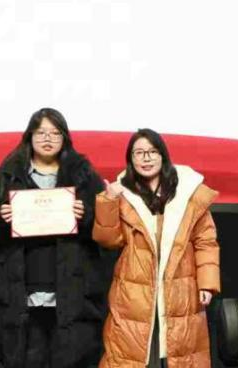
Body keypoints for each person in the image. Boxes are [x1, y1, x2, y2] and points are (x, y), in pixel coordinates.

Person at [0, 107, 108, 368]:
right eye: (41, 132)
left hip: (73, 295)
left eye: (55, 133)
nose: (48, 138)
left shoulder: (82, 173)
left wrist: (86, 215)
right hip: (21, 294)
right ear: (30, 136)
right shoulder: (11, 171)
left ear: (65, 137)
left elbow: (107, 226)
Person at [93, 129, 220, 368]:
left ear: (163, 156)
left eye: (152, 152)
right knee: (133, 354)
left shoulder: (187, 193)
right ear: (131, 159)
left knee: (180, 353)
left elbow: (205, 240)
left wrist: (207, 283)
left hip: (180, 289)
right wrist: (108, 201)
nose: (146, 158)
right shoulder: (122, 194)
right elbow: (108, 240)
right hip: (135, 292)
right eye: (139, 153)